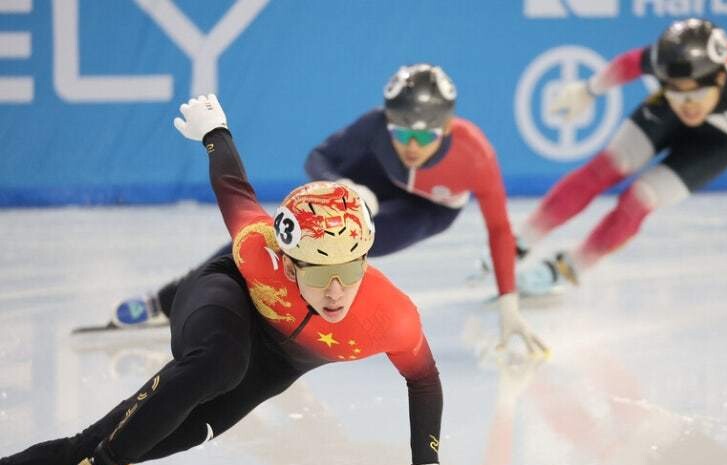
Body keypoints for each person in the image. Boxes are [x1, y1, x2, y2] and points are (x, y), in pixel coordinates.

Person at [0, 94, 484, 465]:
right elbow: (234, 188)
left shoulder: (390, 314)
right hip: (223, 298)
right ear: (289, 264)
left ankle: (81, 461)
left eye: (349, 270)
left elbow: (424, 381)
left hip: (274, 365)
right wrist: (215, 131)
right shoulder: (261, 249)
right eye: (317, 275)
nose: (336, 292)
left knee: (166, 434)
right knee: (220, 363)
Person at [113, 64, 546, 355]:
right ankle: (169, 299)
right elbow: (318, 156)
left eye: (425, 136)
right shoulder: (374, 127)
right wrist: (346, 187)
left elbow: (500, 231)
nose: (412, 147)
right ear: (387, 120)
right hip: (368, 182)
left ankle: (277, 315)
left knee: (336, 257)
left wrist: (509, 303)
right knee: (271, 237)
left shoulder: (476, 156)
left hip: (427, 210)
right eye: (401, 133)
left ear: (448, 127)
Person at [515, 18, 727, 295]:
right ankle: (518, 244)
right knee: (608, 165)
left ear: (719, 80)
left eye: (694, 94)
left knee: (639, 199)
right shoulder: (674, 65)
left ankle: (568, 268)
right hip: (680, 108)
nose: (687, 104)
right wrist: (588, 90)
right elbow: (629, 63)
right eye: (676, 91)